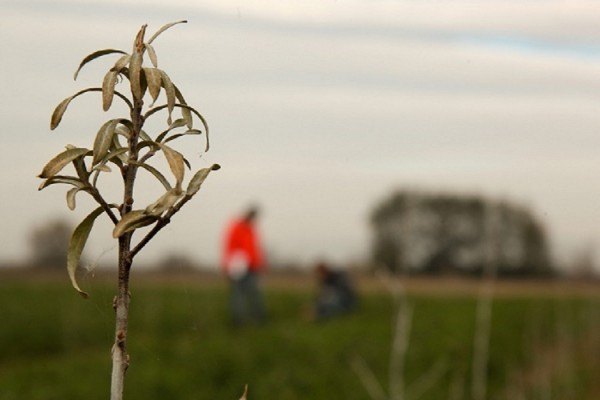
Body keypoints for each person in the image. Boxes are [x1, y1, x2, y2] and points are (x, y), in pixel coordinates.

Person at [221, 206, 267, 326]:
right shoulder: (236, 227)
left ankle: (258, 319)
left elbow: (255, 249)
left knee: (254, 293)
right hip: (238, 269)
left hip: (252, 268)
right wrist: (227, 266)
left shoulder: (251, 229)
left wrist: (260, 263)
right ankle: (238, 321)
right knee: (238, 295)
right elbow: (229, 247)